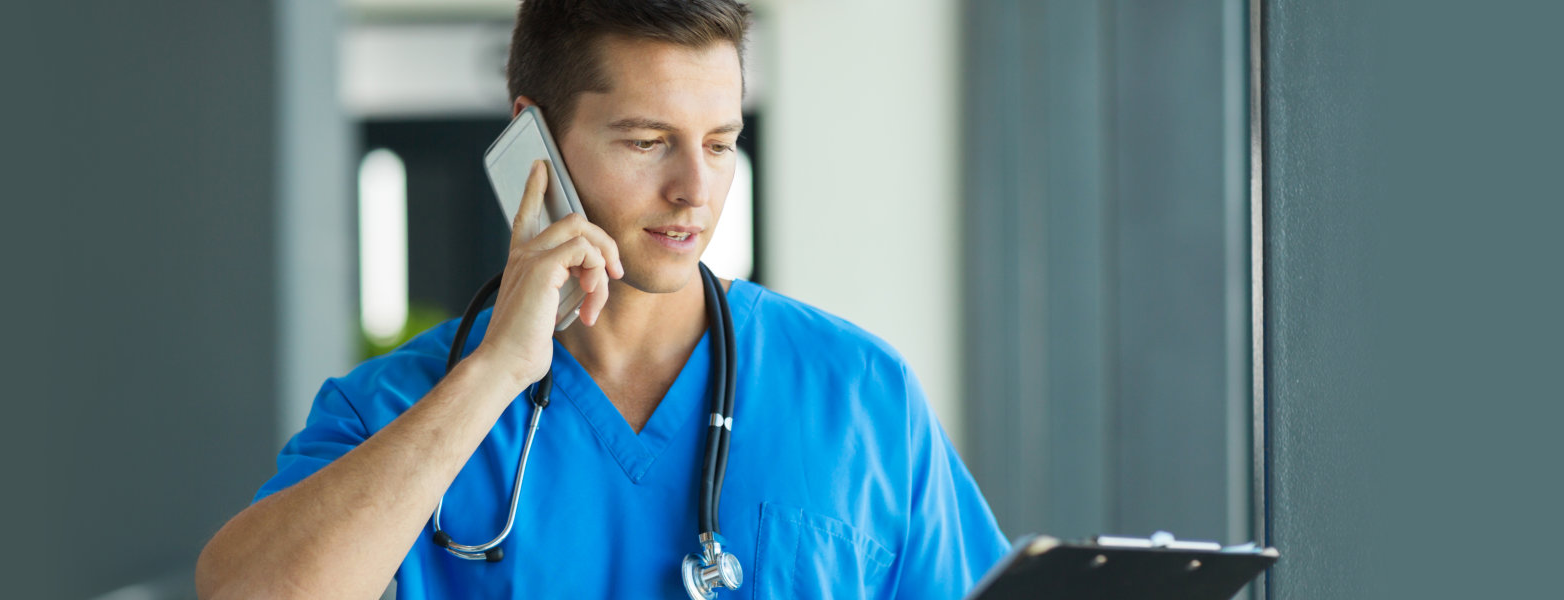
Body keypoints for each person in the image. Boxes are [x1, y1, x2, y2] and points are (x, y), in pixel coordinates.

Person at [195, 1, 1008, 598]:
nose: (696, 189)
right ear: (535, 140)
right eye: (648, 142)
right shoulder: (400, 406)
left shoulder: (858, 392)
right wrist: (493, 376)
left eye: (720, 144)